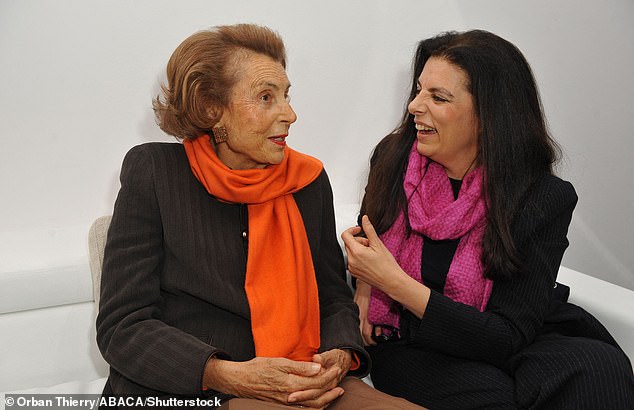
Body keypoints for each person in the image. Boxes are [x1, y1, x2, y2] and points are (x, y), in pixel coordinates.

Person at [96, 24, 422, 409]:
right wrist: (225, 373)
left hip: (303, 375)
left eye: (286, 95)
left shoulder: (308, 181)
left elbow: (333, 296)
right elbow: (123, 326)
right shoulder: (155, 172)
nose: (290, 114)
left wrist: (338, 353)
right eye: (266, 97)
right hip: (194, 388)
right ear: (210, 108)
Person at [341, 29, 634, 409]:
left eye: (438, 97)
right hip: (413, 337)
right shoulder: (395, 158)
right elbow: (369, 242)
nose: (415, 106)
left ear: (489, 114)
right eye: (418, 91)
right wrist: (368, 287)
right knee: (493, 398)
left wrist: (393, 281)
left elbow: (510, 334)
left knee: (599, 369)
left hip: (516, 332)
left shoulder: (542, 196)